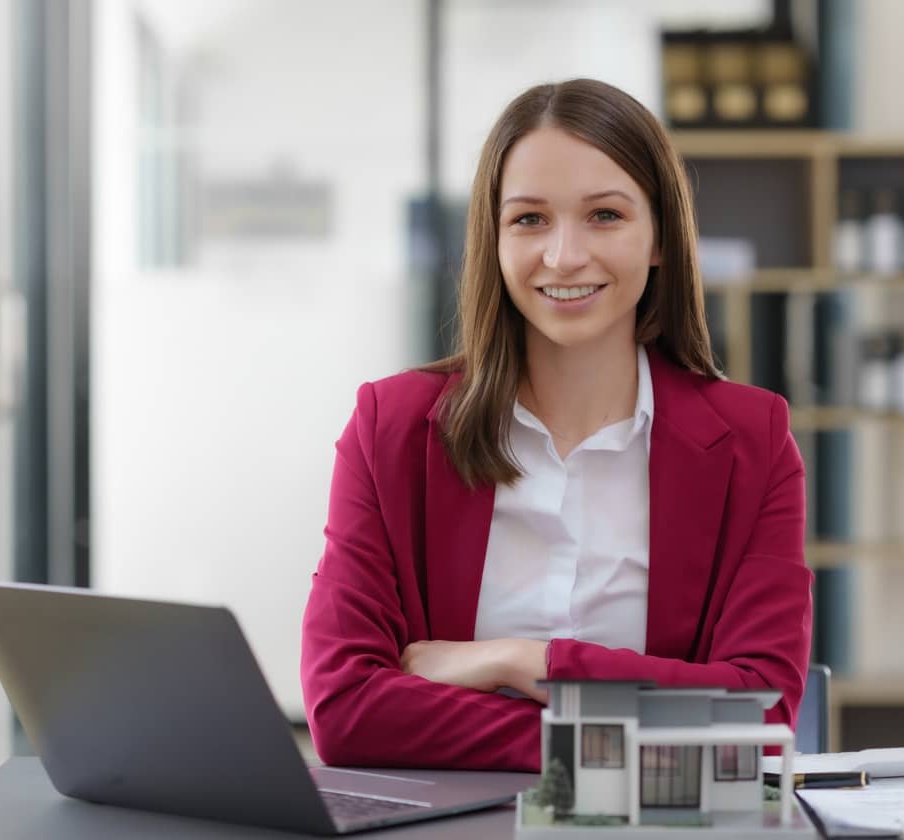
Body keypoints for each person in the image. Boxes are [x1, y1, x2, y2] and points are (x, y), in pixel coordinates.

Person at [300, 78, 812, 772]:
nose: (565, 256)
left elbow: (759, 713)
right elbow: (345, 710)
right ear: (493, 238)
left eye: (604, 215)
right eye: (530, 219)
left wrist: (523, 661)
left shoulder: (753, 444)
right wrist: (620, 735)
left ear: (660, 237)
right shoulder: (390, 429)